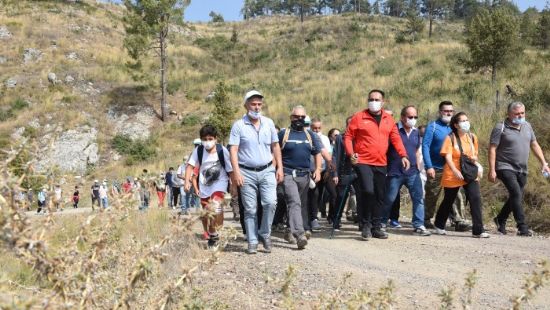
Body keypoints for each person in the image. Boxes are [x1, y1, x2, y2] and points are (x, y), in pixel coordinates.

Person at [344, 89, 410, 240]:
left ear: (383, 102)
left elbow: (395, 139)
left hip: (381, 162)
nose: (373, 102)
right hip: (363, 161)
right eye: (371, 99)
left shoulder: (388, 119)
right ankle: (365, 225)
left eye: (377, 99)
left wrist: (403, 155)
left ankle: (376, 226)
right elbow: (348, 136)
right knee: (368, 191)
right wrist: (350, 153)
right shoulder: (359, 117)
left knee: (380, 195)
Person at [228, 90, 283, 254]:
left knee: (270, 203)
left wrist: (279, 167)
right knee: (250, 208)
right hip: (246, 172)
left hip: (267, 170)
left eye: (259, 104)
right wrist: (236, 172)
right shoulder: (238, 126)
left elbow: (275, 146)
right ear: (246, 105)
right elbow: (233, 150)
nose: (257, 107)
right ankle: (252, 240)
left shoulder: (269, 123)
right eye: (253, 104)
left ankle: (265, 233)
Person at [489, 102, 550, 236]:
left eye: (522, 113)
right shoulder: (501, 127)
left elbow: (534, 144)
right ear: (509, 114)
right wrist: (492, 169)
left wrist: (544, 163)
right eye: (517, 113)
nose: (520, 115)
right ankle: (522, 227)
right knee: (516, 193)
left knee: (516, 195)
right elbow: (492, 149)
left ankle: (500, 219)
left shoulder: (527, 125)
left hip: (522, 168)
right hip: (504, 166)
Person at [434, 112, 488, 238]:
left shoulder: (472, 137)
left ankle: (478, 230)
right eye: (462, 121)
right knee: (449, 200)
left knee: (475, 198)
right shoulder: (450, 138)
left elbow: (474, 154)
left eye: (466, 120)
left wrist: (476, 163)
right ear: (456, 125)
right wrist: (454, 170)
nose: (466, 123)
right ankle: (439, 223)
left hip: (469, 172)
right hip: (453, 173)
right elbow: (447, 156)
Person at [381, 106, 431, 236]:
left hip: (413, 172)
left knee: (418, 198)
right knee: (389, 198)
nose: (413, 119)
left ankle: (418, 225)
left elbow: (417, 151)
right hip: (394, 171)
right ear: (402, 117)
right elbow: (384, 150)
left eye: (415, 117)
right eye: (410, 117)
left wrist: (421, 169)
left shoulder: (416, 133)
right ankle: (381, 223)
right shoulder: (393, 130)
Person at [279, 105, 322, 249]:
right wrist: (276, 170)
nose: (299, 119)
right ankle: (300, 234)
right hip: (287, 173)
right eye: (297, 117)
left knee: (299, 204)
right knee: (294, 202)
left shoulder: (310, 135)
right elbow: (275, 153)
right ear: (291, 117)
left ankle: (289, 230)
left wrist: (318, 169)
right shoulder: (284, 134)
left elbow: (317, 153)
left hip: (304, 175)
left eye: (302, 117)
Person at [422, 101, 469, 231]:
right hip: (436, 168)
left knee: (456, 195)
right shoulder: (433, 127)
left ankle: (458, 220)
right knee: (432, 194)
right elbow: (425, 146)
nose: (448, 113)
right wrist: (428, 166)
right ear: (440, 112)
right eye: (445, 111)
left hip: (452, 169)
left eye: (450, 111)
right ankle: (426, 219)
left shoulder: (455, 128)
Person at [185, 125, 233, 249]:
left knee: (215, 207)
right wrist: (186, 182)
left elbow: (230, 169)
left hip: (220, 183)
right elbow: (190, 166)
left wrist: (233, 186)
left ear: (215, 139)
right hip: (204, 186)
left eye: (210, 138)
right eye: (204, 139)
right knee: (207, 214)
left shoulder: (222, 150)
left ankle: (215, 234)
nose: (207, 141)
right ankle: (213, 234)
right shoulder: (198, 151)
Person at [308, 118, 335, 230]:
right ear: (310, 127)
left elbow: (328, 155)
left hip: (324, 170)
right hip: (311, 171)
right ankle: (313, 218)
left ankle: (332, 218)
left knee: (333, 193)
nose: (316, 130)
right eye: (314, 128)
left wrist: (328, 171)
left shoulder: (324, 139)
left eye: (319, 128)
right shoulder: (308, 137)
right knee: (315, 194)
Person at [331, 117, 357, 230]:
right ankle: (336, 220)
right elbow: (335, 156)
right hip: (344, 171)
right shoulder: (340, 138)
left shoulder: (361, 137)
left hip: (358, 171)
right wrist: (335, 173)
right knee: (341, 196)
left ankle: (362, 221)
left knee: (361, 196)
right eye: (350, 124)